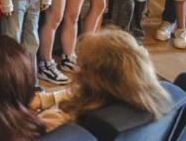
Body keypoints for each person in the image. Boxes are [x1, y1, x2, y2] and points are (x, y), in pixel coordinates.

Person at [32, 29, 171, 132]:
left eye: (81, 67)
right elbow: (81, 93)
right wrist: (48, 98)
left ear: (91, 81)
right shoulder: (152, 104)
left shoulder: (56, 121)